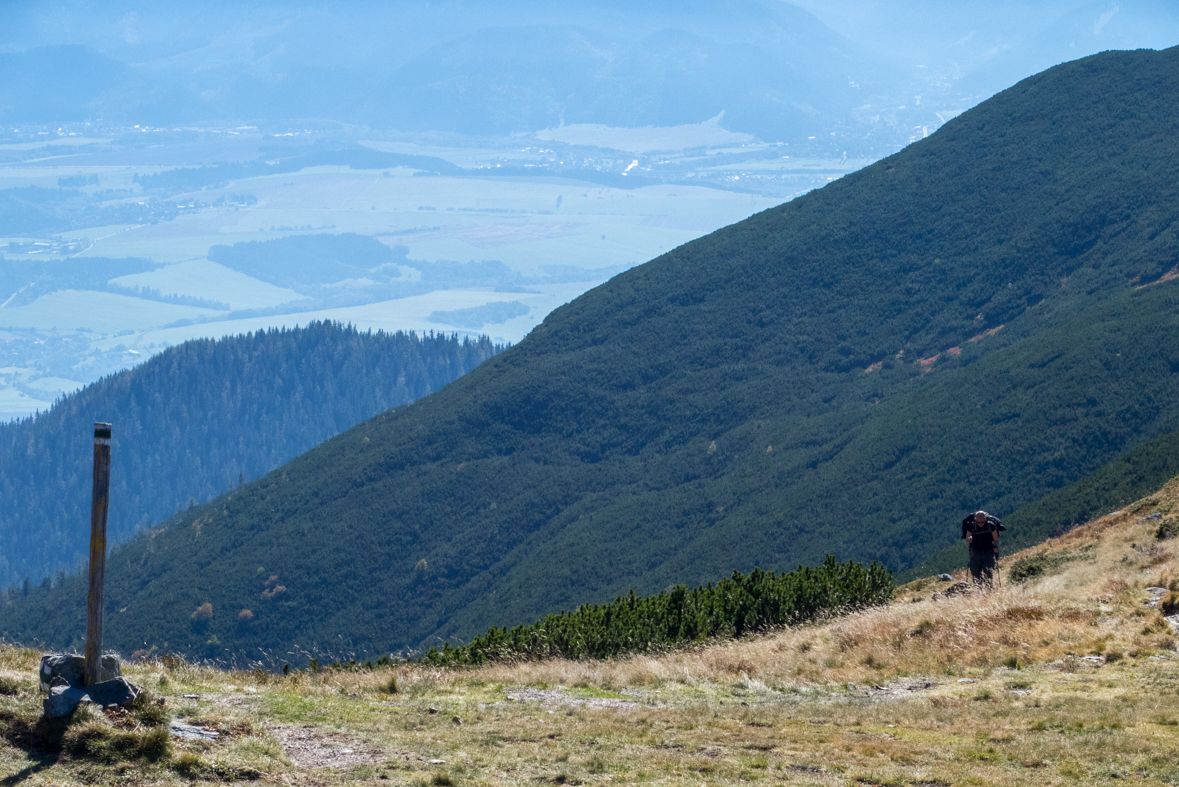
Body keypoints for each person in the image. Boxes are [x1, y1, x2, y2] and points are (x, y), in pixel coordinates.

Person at [961, 510, 1002, 588]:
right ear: (975, 519)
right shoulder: (971, 526)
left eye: (982, 522)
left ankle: (988, 590)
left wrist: (996, 546)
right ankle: (979, 591)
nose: (980, 524)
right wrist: (969, 540)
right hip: (975, 554)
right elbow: (967, 540)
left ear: (985, 519)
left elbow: (996, 539)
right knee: (975, 574)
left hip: (988, 552)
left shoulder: (991, 526)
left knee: (988, 573)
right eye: (978, 522)